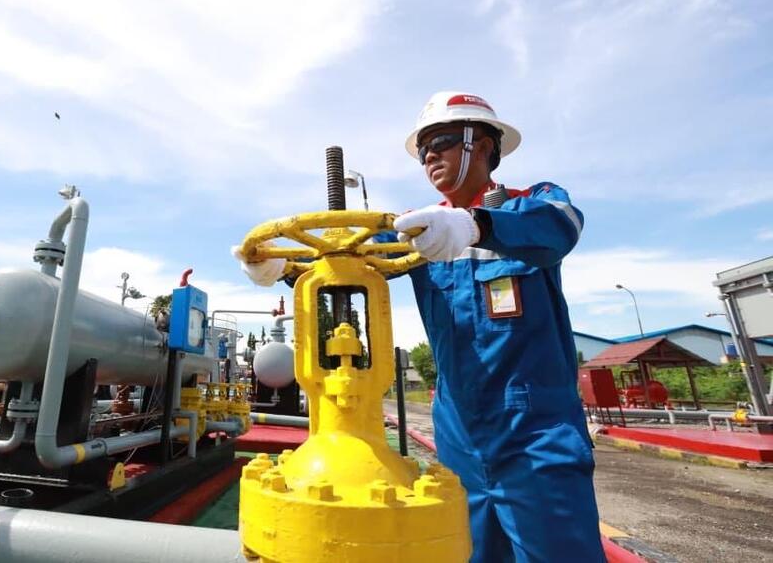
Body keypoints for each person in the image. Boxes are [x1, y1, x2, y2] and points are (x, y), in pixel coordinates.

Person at [235, 91, 604, 562]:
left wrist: (475, 225)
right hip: (458, 430)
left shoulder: (531, 205)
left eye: (442, 141)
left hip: (534, 428)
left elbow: (560, 226)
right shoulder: (418, 233)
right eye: (424, 147)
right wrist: (283, 267)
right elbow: (348, 257)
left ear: (482, 145)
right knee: (466, 552)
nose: (430, 155)